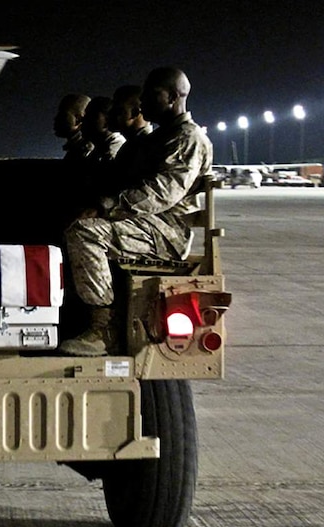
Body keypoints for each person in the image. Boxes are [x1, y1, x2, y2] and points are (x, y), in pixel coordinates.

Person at [59, 66, 213, 357]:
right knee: (74, 219)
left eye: (152, 94)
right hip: (143, 223)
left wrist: (105, 208)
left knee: (86, 232)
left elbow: (160, 193)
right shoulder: (154, 141)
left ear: (172, 97)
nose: (143, 103)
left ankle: (104, 331)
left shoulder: (186, 139)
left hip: (165, 231)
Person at [80, 96, 126, 163]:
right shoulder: (98, 145)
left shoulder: (115, 148)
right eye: (86, 116)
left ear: (108, 119)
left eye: (92, 116)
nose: (84, 120)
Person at [53, 93, 95, 161]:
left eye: (62, 115)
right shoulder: (77, 148)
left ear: (78, 119)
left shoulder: (85, 152)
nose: (56, 118)